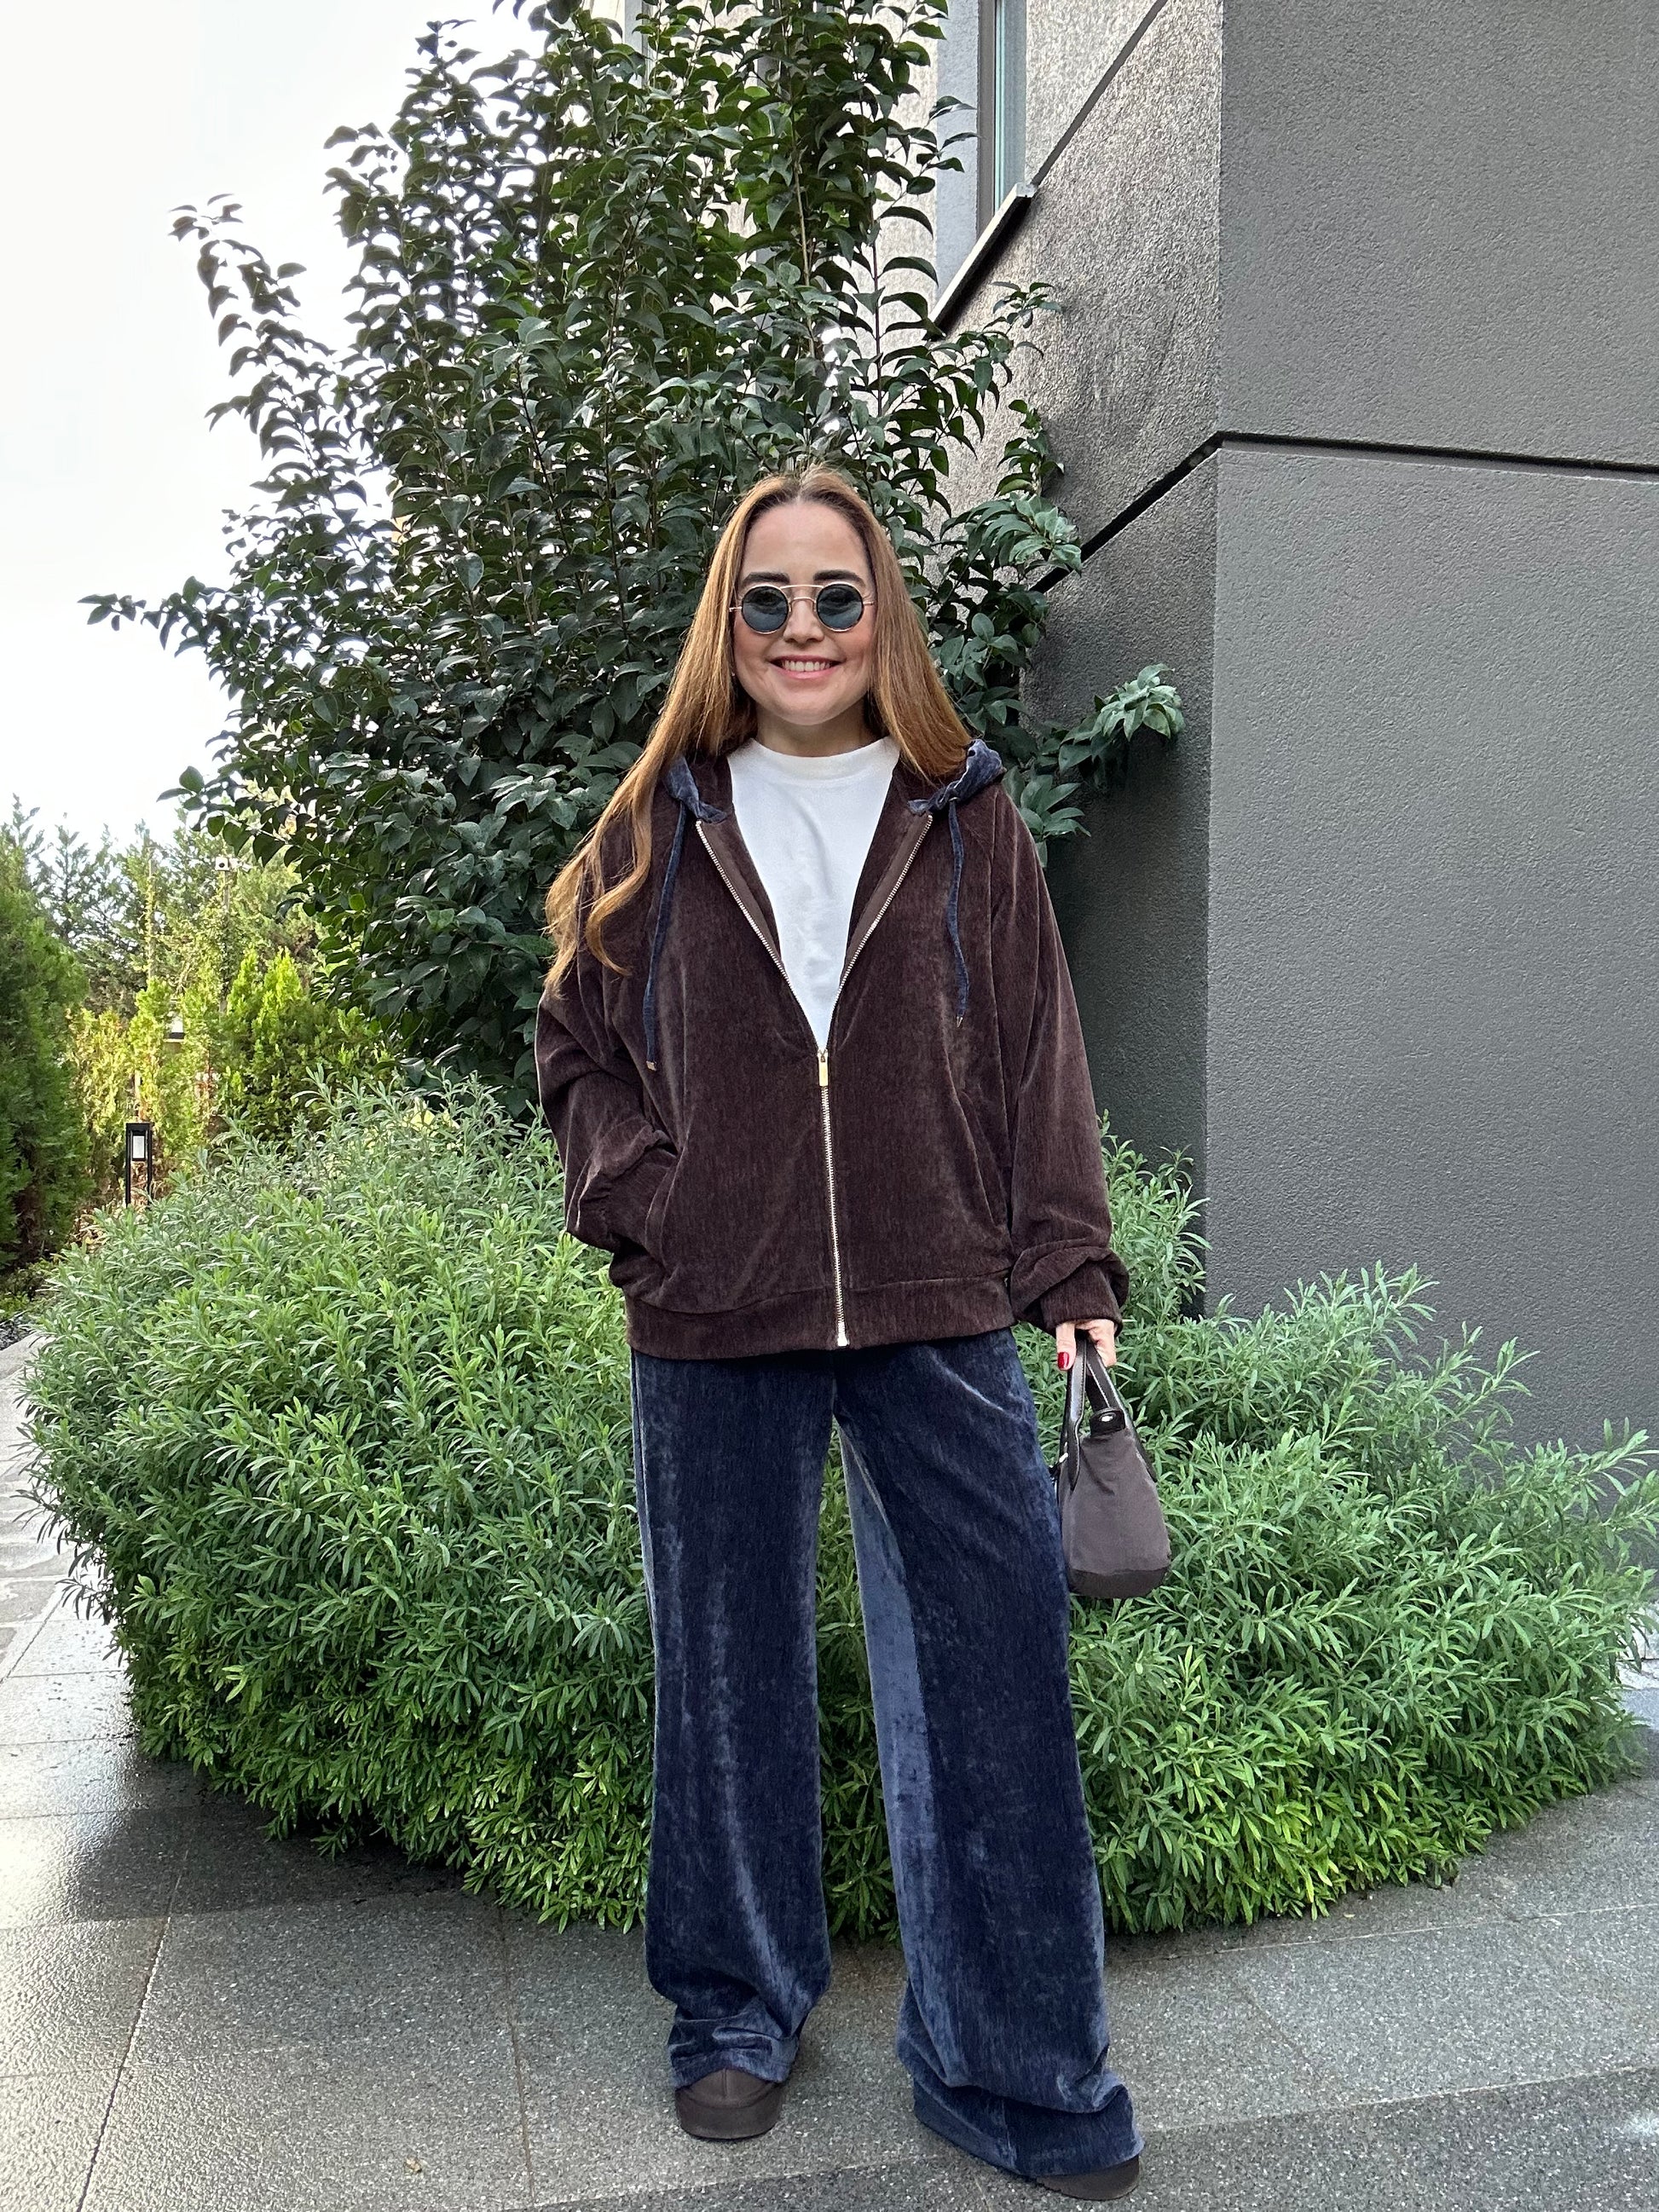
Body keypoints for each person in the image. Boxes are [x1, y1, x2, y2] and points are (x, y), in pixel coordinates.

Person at [536, 465, 1142, 2200]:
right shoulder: (660, 820)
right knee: (724, 1682)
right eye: (767, 600)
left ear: (882, 620)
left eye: (834, 597)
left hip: (935, 1290)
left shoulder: (966, 813)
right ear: (726, 625)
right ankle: (733, 2008)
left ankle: (1011, 2061)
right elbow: (573, 1047)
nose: (801, 629)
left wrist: (1070, 1272)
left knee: (993, 1674)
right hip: (711, 1305)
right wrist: (646, 1197)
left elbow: (1037, 1050)